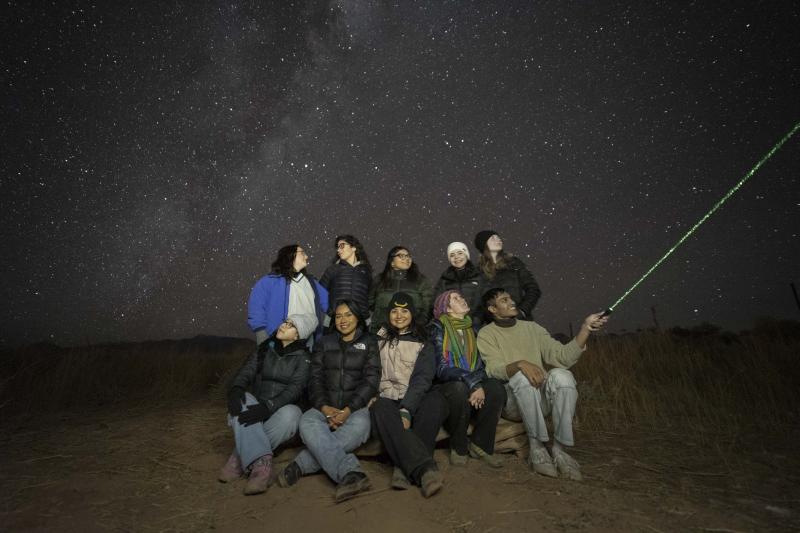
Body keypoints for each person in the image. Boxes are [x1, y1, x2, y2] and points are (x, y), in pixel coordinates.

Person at [476, 288, 608, 481]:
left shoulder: (532, 328)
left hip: (541, 398)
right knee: (522, 376)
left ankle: (560, 450)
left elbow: (563, 357)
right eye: (504, 300)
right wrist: (521, 363)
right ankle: (536, 448)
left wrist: (585, 328)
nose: (512, 302)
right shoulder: (487, 334)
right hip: (514, 401)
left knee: (562, 375)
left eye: (511, 298)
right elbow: (493, 370)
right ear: (492, 309)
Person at [277, 301, 381, 503]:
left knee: (361, 426)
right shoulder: (324, 342)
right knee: (306, 421)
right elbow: (314, 379)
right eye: (339, 316)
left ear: (357, 317)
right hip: (324, 406)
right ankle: (351, 473)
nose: (343, 320)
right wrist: (325, 408)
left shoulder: (369, 343)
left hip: (355, 409)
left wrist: (349, 410)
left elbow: (371, 380)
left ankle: (300, 464)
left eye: (348, 315)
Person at [218, 316, 316, 495]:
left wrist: (268, 407)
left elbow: (294, 390)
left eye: (291, 325)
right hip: (257, 405)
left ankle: (239, 457)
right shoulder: (265, 349)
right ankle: (261, 465)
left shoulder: (305, 359)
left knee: (292, 413)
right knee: (243, 399)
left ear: (298, 335)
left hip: (279, 411)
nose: (284, 326)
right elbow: (246, 372)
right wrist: (236, 389)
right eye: (285, 322)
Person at [370, 292, 446, 498]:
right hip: (385, 397)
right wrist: (372, 393)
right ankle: (424, 471)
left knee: (435, 401)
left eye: (404, 311)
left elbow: (423, 378)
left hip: (412, 397)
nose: (399, 315)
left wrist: (406, 409)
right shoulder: (377, 338)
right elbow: (370, 371)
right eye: (394, 311)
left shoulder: (423, 341)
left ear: (412, 314)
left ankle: (402, 468)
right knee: (380, 408)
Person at [431, 290, 506, 468]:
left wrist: (477, 383)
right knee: (459, 389)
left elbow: (482, 366)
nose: (462, 299)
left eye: (461, 296)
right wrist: (473, 384)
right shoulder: (437, 328)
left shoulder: (474, 328)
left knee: (495, 388)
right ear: (447, 309)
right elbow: (442, 368)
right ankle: (458, 446)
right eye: (456, 299)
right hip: (448, 384)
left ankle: (481, 445)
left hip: (472, 379)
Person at [247, 244, 328, 345]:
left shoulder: (312, 283)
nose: (307, 257)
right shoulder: (269, 281)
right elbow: (256, 307)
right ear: (290, 255)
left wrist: (329, 325)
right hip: (279, 337)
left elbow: (329, 304)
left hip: (308, 339)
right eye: (302, 253)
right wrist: (261, 334)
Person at [474, 230, 541, 321]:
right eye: (493, 238)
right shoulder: (479, 272)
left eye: (498, 237)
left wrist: (522, 311)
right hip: (495, 327)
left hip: (520, 322)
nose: (499, 240)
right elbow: (479, 304)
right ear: (484, 245)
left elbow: (533, 288)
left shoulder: (514, 263)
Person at [368, 246, 433, 332]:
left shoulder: (421, 280)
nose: (406, 258)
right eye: (401, 256)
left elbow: (428, 307)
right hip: (382, 330)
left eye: (408, 256)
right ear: (392, 262)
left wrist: (418, 325)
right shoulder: (380, 280)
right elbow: (370, 303)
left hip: (412, 332)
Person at [319, 235, 372, 321]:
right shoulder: (333, 269)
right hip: (336, 321)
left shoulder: (366, 272)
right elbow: (319, 293)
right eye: (338, 247)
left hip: (360, 323)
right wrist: (330, 313)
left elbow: (369, 298)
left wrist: (367, 319)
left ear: (353, 247)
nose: (338, 250)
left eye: (342, 246)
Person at [432, 242, 483, 325]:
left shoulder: (479, 275)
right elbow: (437, 302)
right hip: (452, 323)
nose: (456, 257)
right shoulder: (445, 278)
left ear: (466, 255)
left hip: (475, 323)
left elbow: (483, 301)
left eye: (460, 253)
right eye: (452, 255)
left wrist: (477, 320)